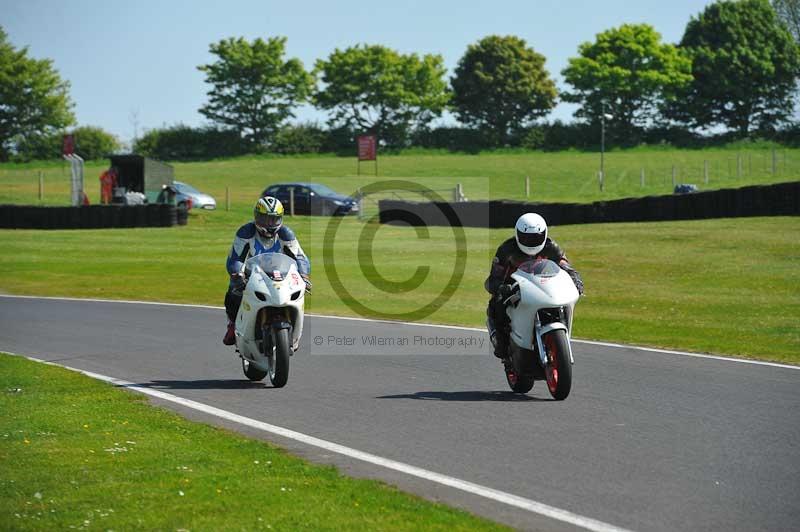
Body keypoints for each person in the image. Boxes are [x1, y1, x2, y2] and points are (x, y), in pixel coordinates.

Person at [484, 212, 584, 359]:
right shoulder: (506, 250)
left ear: (544, 235)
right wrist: (501, 287)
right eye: (526, 238)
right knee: (496, 304)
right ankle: (502, 344)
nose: (531, 242)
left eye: (536, 238)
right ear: (518, 235)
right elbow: (493, 278)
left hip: (543, 286)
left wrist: (576, 278)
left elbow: (565, 266)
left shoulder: (551, 247)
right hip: (513, 289)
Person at [222, 196, 311, 345]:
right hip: (252, 274)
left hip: (280, 275)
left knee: (298, 293)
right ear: (256, 216)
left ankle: (294, 331)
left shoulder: (285, 234)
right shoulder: (246, 232)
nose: (269, 224)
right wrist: (238, 274)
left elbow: (300, 257)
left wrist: (304, 275)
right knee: (232, 292)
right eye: (264, 219)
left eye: (273, 219)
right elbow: (236, 258)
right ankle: (233, 324)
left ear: (280, 219)